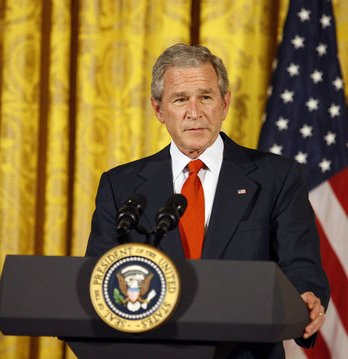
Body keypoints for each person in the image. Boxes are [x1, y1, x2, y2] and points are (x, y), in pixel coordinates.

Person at [86, 43, 330, 358]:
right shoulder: (121, 186)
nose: (194, 112)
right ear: (159, 110)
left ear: (225, 103)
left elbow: (300, 264)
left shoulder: (276, 177)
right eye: (180, 99)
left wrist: (305, 297)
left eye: (206, 97)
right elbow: (100, 278)